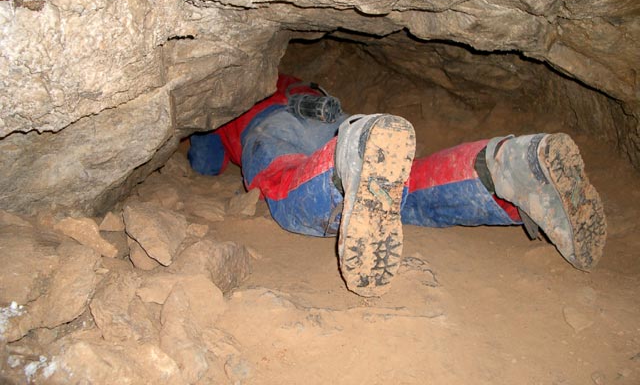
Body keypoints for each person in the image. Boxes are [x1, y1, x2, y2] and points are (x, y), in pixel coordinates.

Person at [188, 74, 607, 297]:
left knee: (280, 185)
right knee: (399, 189)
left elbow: (205, 163)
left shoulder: (226, 94)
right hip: (332, 114)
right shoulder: (286, 75)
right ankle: (507, 166)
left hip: (271, 123)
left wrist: (202, 131)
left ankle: (345, 162)